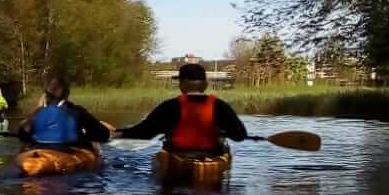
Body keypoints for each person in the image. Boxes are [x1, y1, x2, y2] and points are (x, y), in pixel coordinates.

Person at [115, 63, 247, 151]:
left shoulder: (169, 106)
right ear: (205, 84)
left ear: (182, 84)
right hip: (211, 156)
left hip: (177, 156)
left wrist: (120, 133)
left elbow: (145, 132)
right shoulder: (220, 106)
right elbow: (240, 135)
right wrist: (223, 133)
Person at [19, 78, 110, 146]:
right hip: (68, 152)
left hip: (40, 152)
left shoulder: (38, 113)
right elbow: (104, 134)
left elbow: (22, 134)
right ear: (66, 94)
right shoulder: (77, 111)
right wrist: (86, 136)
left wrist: (37, 110)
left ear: (46, 96)